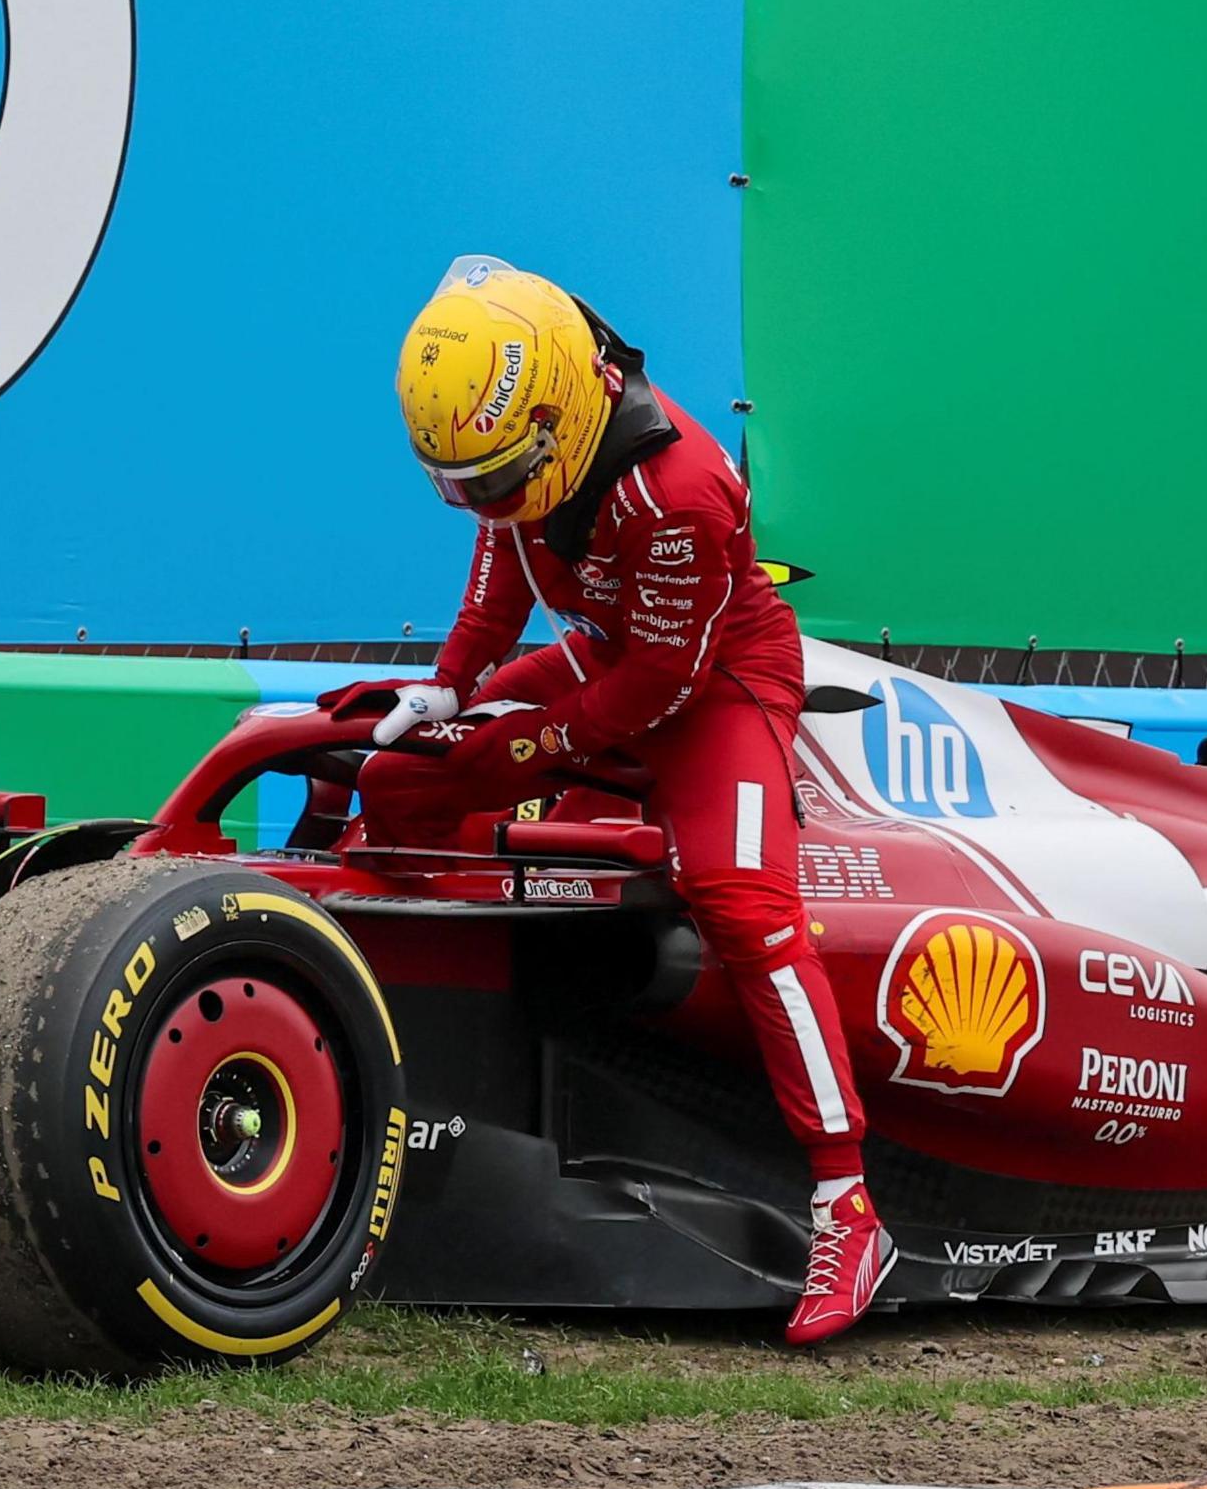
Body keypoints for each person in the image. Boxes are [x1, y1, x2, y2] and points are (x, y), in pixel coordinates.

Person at [337, 259, 887, 1346]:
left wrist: (526, 741)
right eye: (465, 482)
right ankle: (421, 1107)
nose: (484, 501)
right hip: (607, 654)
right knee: (396, 782)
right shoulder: (520, 432)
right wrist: (449, 685)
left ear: (559, 418)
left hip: (720, 680)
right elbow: (505, 560)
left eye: (497, 478)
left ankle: (848, 1204)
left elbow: (662, 685)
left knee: (741, 902)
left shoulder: (681, 488)